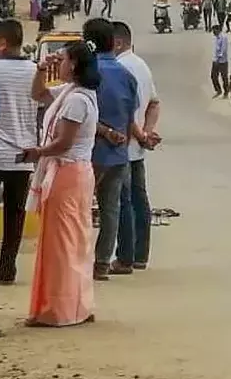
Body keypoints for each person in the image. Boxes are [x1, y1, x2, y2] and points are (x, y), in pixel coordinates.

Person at [22, 40, 100, 327]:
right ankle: (72, 304)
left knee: (62, 243)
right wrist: (42, 68)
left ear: (75, 65)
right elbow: (38, 94)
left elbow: (63, 143)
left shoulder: (78, 99)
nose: (61, 64)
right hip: (69, 172)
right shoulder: (70, 92)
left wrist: (36, 152)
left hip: (67, 173)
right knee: (70, 240)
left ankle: (60, 308)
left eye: (64, 60)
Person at [0, 18, 39, 286]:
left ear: (2, 44)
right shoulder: (34, 71)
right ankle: (7, 269)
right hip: (23, 156)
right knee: (15, 217)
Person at [83, 18, 138, 281]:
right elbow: (130, 115)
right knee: (110, 209)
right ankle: (102, 262)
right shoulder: (127, 75)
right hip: (118, 153)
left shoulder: (87, 73)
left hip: (88, 153)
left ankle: (79, 259)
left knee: (79, 209)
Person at [112, 22, 160, 272]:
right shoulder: (141, 65)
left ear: (118, 42)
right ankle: (140, 254)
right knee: (140, 200)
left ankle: (125, 257)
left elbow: (125, 112)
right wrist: (148, 133)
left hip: (124, 146)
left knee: (124, 202)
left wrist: (141, 134)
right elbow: (154, 103)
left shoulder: (119, 68)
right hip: (137, 146)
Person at [210, 23, 231, 97]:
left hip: (222, 61)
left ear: (218, 30)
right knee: (213, 76)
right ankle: (218, 90)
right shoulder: (215, 38)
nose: (213, 32)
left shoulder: (223, 38)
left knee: (224, 77)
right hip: (215, 60)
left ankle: (226, 92)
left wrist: (218, 58)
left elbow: (223, 49)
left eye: (214, 31)